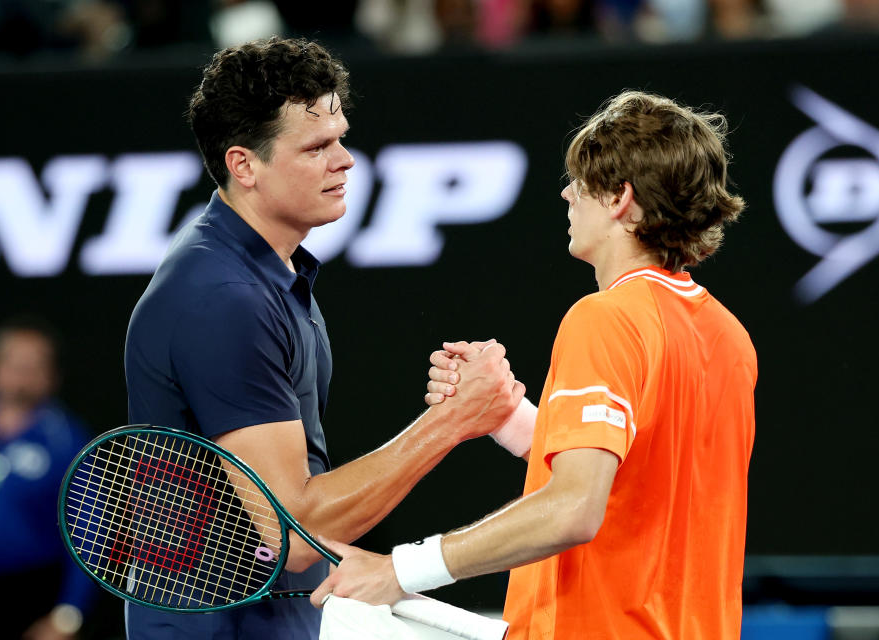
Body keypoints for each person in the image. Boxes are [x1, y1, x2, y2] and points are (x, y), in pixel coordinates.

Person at [310, 90, 757, 640]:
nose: (568, 193)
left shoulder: (606, 318)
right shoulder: (729, 336)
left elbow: (574, 508)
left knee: (336, 616)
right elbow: (631, 481)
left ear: (620, 197)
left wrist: (399, 570)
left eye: (582, 182)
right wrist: (506, 415)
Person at [123, 36, 522, 640]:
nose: (345, 160)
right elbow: (292, 538)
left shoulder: (267, 270)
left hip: (272, 615)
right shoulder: (223, 299)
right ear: (244, 165)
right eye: (316, 147)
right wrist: (454, 420)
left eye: (340, 137)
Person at [0, 317, 94, 639]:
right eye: (14, 364)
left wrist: (68, 615)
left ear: (52, 377)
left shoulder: (69, 441)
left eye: (35, 366)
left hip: (30, 595)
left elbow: (88, 535)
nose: (23, 375)